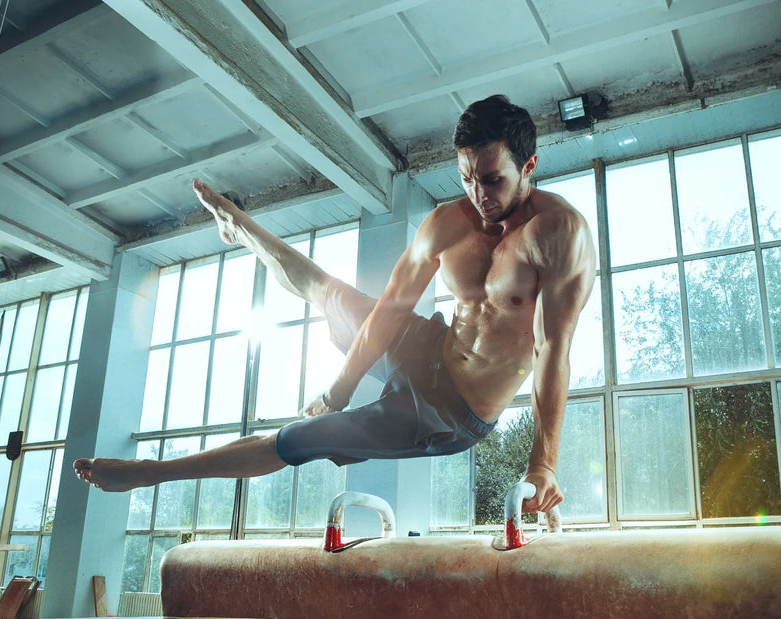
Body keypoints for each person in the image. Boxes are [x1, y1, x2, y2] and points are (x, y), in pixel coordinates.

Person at [73, 94, 595, 514]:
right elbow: (390, 310)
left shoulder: (557, 234)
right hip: (429, 347)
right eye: (465, 177)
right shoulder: (446, 224)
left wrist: (543, 463)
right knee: (330, 293)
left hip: (449, 413)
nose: (477, 194)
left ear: (528, 165)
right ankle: (242, 229)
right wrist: (338, 389)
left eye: (491, 179)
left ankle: (148, 473)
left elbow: (553, 349)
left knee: (298, 438)